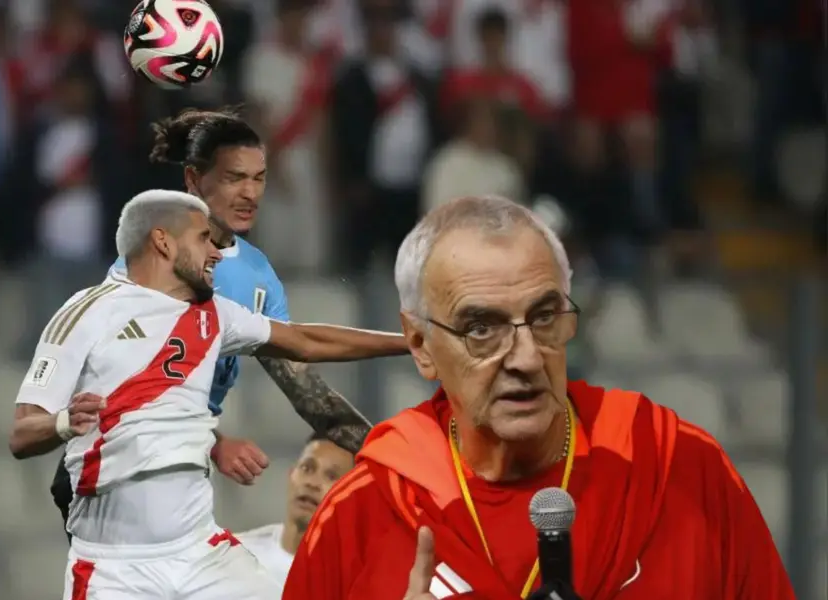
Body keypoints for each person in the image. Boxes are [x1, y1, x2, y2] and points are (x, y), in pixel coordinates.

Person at [282, 195, 795, 600]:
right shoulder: (361, 515)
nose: (526, 358)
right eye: (482, 328)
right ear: (421, 345)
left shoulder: (678, 471)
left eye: (545, 316)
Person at [11, 190, 408, 599]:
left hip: (199, 551)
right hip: (113, 567)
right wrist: (63, 422)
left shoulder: (215, 314)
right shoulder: (87, 313)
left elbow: (303, 340)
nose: (216, 253)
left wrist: (412, 342)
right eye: (204, 239)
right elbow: (22, 433)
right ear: (163, 241)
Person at [49, 108, 373, 533]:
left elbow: (305, 390)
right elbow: (127, 389)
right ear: (193, 181)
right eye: (234, 178)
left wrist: (385, 453)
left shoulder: (260, 277)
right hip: (117, 463)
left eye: (258, 178)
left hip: (179, 469)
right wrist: (217, 444)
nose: (250, 193)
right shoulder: (156, 254)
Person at [237, 432, 354, 586]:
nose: (312, 483)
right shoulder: (235, 556)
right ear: (291, 474)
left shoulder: (356, 585)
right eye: (307, 468)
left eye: (331, 476)